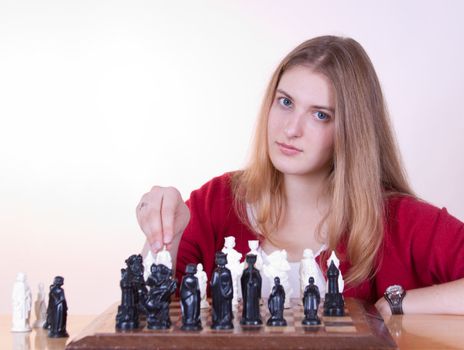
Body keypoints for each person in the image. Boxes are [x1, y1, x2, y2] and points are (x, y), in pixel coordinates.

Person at [136, 35, 464, 315]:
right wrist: (166, 237)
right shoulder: (216, 202)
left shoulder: (399, 221)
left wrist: (397, 303)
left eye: (320, 115)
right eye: (286, 102)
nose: (291, 129)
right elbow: (151, 313)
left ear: (352, 131)